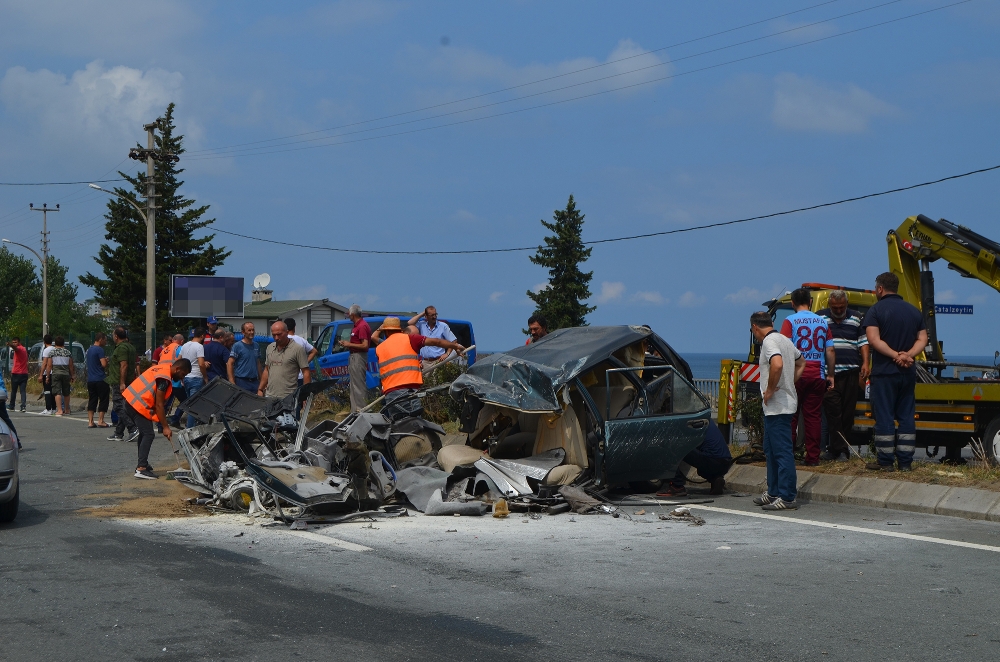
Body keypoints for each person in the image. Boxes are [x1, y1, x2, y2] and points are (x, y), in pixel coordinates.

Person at [862, 272, 928, 472]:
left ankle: (885, 461)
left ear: (880, 288)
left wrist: (895, 356)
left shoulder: (875, 311)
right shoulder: (914, 311)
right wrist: (908, 356)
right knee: (907, 416)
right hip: (907, 373)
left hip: (884, 372)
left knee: (884, 416)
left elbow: (874, 340)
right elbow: (923, 339)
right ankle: (906, 463)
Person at [751, 311, 805, 511]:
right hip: (780, 405)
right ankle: (774, 491)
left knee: (781, 452)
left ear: (755, 327)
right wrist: (790, 382)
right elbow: (801, 362)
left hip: (778, 406)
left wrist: (771, 389)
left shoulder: (769, 342)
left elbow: (777, 363)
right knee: (771, 450)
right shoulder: (785, 339)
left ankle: (787, 496)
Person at [780, 288, 835, 466]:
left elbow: (784, 348)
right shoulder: (823, 322)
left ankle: (788, 454)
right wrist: (831, 374)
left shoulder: (789, 321)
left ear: (792, 303)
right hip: (817, 374)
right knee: (813, 417)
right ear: (810, 302)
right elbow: (830, 350)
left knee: (791, 415)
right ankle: (813, 457)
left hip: (796, 374)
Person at [818, 291, 870, 461]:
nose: (838, 310)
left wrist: (865, 363)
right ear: (829, 305)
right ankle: (839, 450)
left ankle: (839, 450)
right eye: (835, 307)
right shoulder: (821, 318)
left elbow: (863, 342)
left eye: (841, 307)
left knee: (847, 414)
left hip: (851, 373)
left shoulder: (856, 317)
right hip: (829, 374)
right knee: (833, 412)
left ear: (846, 305)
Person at [123, 357, 192, 479]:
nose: (182, 378)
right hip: (137, 404)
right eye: (182, 374)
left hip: (132, 401)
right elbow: (159, 405)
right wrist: (165, 427)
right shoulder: (164, 379)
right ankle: (141, 468)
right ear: (177, 369)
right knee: (148, 434)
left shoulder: (162, 369)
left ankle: (142, 464)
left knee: (145, 433)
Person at [373, 317, 465, 396]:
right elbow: (436, 341)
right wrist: (455, 346)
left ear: (385, 331)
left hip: (390, 390)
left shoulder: (381, 347)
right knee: (413, 415)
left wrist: (381, 328)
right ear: (402, 330)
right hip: (410, 388)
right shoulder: (410, 339)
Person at [658, 420, 733, 497]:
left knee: (670, 447)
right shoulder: (705, 419)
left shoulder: (691, 420)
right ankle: (716, 479)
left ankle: (677, 486)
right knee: (701, 470)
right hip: (726, 462)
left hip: (711, 459)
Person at [258, 321, 311, 399]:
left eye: (279, 334)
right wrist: (260, 389)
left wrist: (305, 395)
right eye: (274, 335)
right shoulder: (270, 348)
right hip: (270, 396)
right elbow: (267, 369)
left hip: (288, 396)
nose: (276, 338)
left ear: (286, 332)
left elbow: (306, 372)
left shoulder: (297, 349)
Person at [106, 327, 139, 442]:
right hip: (129, 380)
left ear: (116, 336)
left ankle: (133, 428)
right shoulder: (130, 347)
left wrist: (121, 383)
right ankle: (118, 433)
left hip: (119, 381)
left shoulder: (122, 348)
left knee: (118, 406)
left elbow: (123, 365)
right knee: (124, 406)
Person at [336, 305, 372, 412]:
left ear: (353, 314)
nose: (348, 315)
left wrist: (349, 344)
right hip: (353, 356)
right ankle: (354, 410)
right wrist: (348, 344)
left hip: (358, 356)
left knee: (359, 385)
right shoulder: (357, 326)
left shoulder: (362, 326)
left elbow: (365, 345)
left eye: (349, 313)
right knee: (353, 385)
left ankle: (361, 410)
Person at [179, 328, 209, 428]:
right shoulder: (199, 347)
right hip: (196, 376)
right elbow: (201, 364)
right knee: (194, 405)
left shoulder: (185, 345)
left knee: (189, 404)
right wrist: (205, 377)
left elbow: (179, 360)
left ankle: (190, 425)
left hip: (186, 377)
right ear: (202, 336)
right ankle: (190, 427)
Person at [85, 333, 111, 428]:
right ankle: (101, 420)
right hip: (100, 378)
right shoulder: (100, 350)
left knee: (92, 399)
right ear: (100, 339)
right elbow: (103, 364)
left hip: (90, 379)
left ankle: (90, 421)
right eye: (105, 340)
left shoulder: (89, 350)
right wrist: (106, 361)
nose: (106, 342)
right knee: (104, 399)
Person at [228, 322, 262, 392]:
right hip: (242, 381)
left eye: (253, 330)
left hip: (254, 381)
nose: (252, 332)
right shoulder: (237, 346)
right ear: (243, 332)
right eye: (249, 330)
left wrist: (261, 380)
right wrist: (231, 381)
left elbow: (258, 363)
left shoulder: (256, 345)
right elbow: (230, 363)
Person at [284, 317, 317, 385]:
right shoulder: (301, 340)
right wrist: (304, 362)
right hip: (299, 376)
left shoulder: (283, 340)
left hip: (285, 377)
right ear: (294, 327)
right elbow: (314, 351)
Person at [49, 336, 75, 416]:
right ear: (63, 343)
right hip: (66, 373)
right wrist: (72, 375)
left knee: (57, 392)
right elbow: (71, 366)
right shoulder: (68, 352)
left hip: (56, 373)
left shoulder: (52, 352)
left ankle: (59, 410)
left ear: (55, 343)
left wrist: (47, 375)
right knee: (66, 392)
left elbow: (49, 365)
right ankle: (67, 409)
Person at [7, 338, 28, 413]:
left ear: (19, 342)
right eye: (13, 342)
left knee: (14, 391)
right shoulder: (24, 349)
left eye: (15, 342)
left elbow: (15, 348)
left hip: (17, 373)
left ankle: (12, 405)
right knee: (22, 391)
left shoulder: (19, 349)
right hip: (24, 373)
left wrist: (10, 344)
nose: (14, 343)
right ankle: (23, 406)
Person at [38, 334, 57, 415]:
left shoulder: (46, 350)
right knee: (53, 392)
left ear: (44, 342)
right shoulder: (55, 349)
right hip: (55, 372)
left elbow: (45, 363)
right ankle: (54, 408)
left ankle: (48, 408)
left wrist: (41, 375)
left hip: (48, 373)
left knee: (47, 391)